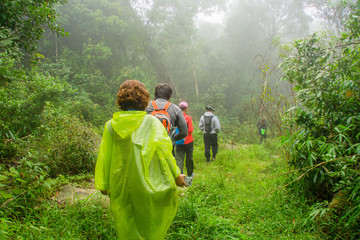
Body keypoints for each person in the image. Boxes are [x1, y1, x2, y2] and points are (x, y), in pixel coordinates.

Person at [95, 80, 186, 240]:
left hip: (120, 185)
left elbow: (105, 156)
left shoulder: (111, 125)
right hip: (147, 182)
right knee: (149, 222)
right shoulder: (151, 123)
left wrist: (104, 184)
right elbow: (166, 151)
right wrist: (176, 175)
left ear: (120, 101)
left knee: (126, 224)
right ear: (144, 101)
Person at [146, 83, 187, 155]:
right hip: (167, 148)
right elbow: (184, 132)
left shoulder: (145, 106)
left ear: (155, 94)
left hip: (148, 148)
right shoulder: (176, 109)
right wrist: (173, 138)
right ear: (169, 96)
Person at [175, 101, 194, 178]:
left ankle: (180, 175)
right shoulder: (188, 118)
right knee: (189, 157)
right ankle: (190, 174)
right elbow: (190, 130)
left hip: (178, 141)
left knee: (179, 158)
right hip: (188, 141)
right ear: (186, 108)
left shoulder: (176, 118)